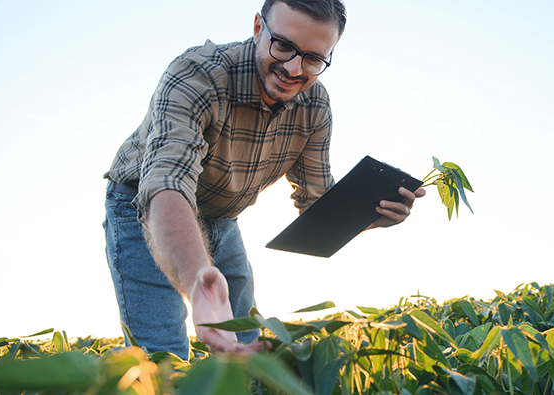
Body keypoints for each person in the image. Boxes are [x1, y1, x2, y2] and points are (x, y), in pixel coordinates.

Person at [102, 0, 425, 360]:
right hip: (144, 204)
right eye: (283, 45)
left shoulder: (315, 106)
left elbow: (315, 204)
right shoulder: (197, 75)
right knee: (162, 356)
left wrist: (367, 216)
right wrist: (199, 285)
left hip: (222, 217)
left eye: (314, 59)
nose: (293, 68)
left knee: (247, 346)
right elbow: (168, 182)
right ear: (258, 28)